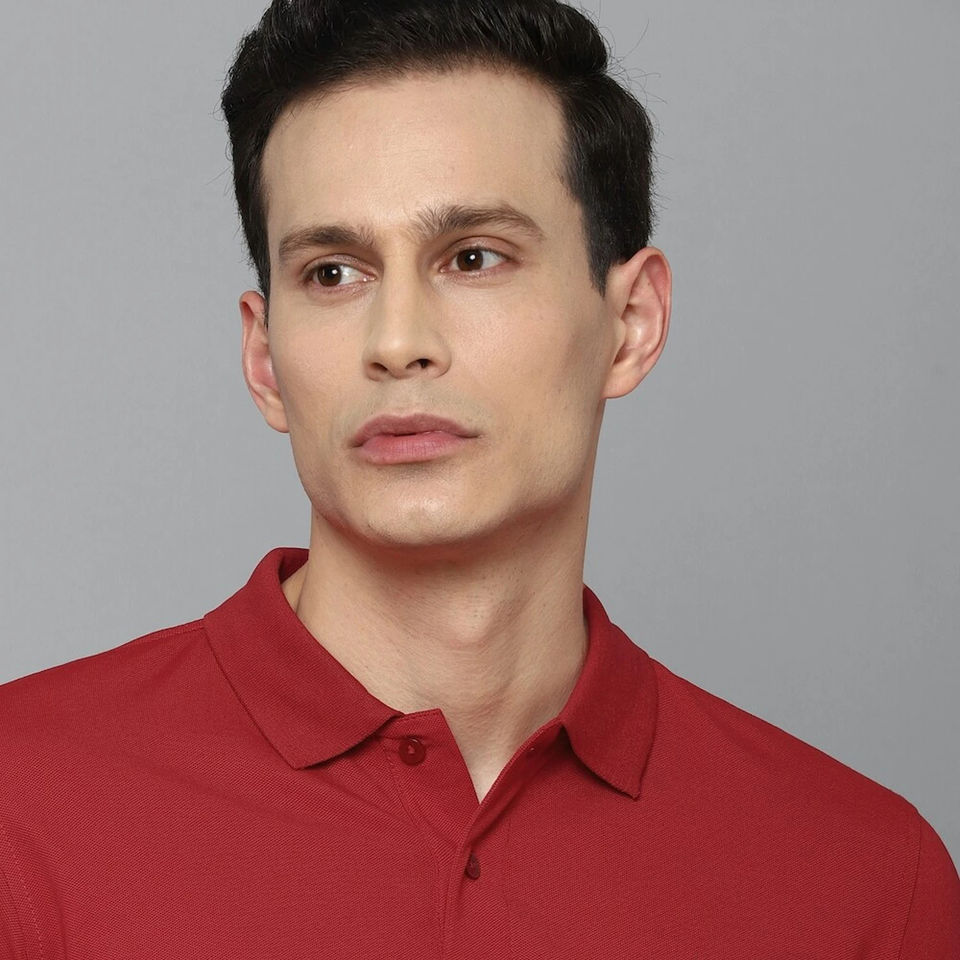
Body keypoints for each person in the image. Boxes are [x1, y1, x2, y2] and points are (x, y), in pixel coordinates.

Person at [1, 0, 957, 956]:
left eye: (473, 258)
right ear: (264, 359)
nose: (398, 342)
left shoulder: (869, 882)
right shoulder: (22, 812)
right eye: (333, 273)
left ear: (631, 324)